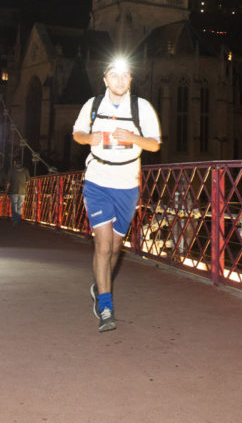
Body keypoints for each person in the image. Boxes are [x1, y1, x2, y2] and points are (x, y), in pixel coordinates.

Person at [73, 58, 161, 332]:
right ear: (105, 79)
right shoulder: (93, 104)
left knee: (114, 248)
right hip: (97, 180)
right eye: (114, 76)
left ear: (130, 79)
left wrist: (133, 138)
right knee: (102, 245)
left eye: (125, 76)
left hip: (127, 185)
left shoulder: (141, 107)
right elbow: (77, 132)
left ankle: (100, 287)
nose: (120, 81)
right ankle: (106, 306)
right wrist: (90, 139)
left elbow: (155, 145)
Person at [7, 158, 30, 227]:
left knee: (14, 205)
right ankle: (18, 219)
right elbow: (28, 180)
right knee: (20, 206)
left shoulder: (11, 169)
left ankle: (14, 220)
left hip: (13, 190)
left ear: (15, 162)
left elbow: (8, 180)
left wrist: (6, 189)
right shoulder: (26, 170)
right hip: (22, 190)